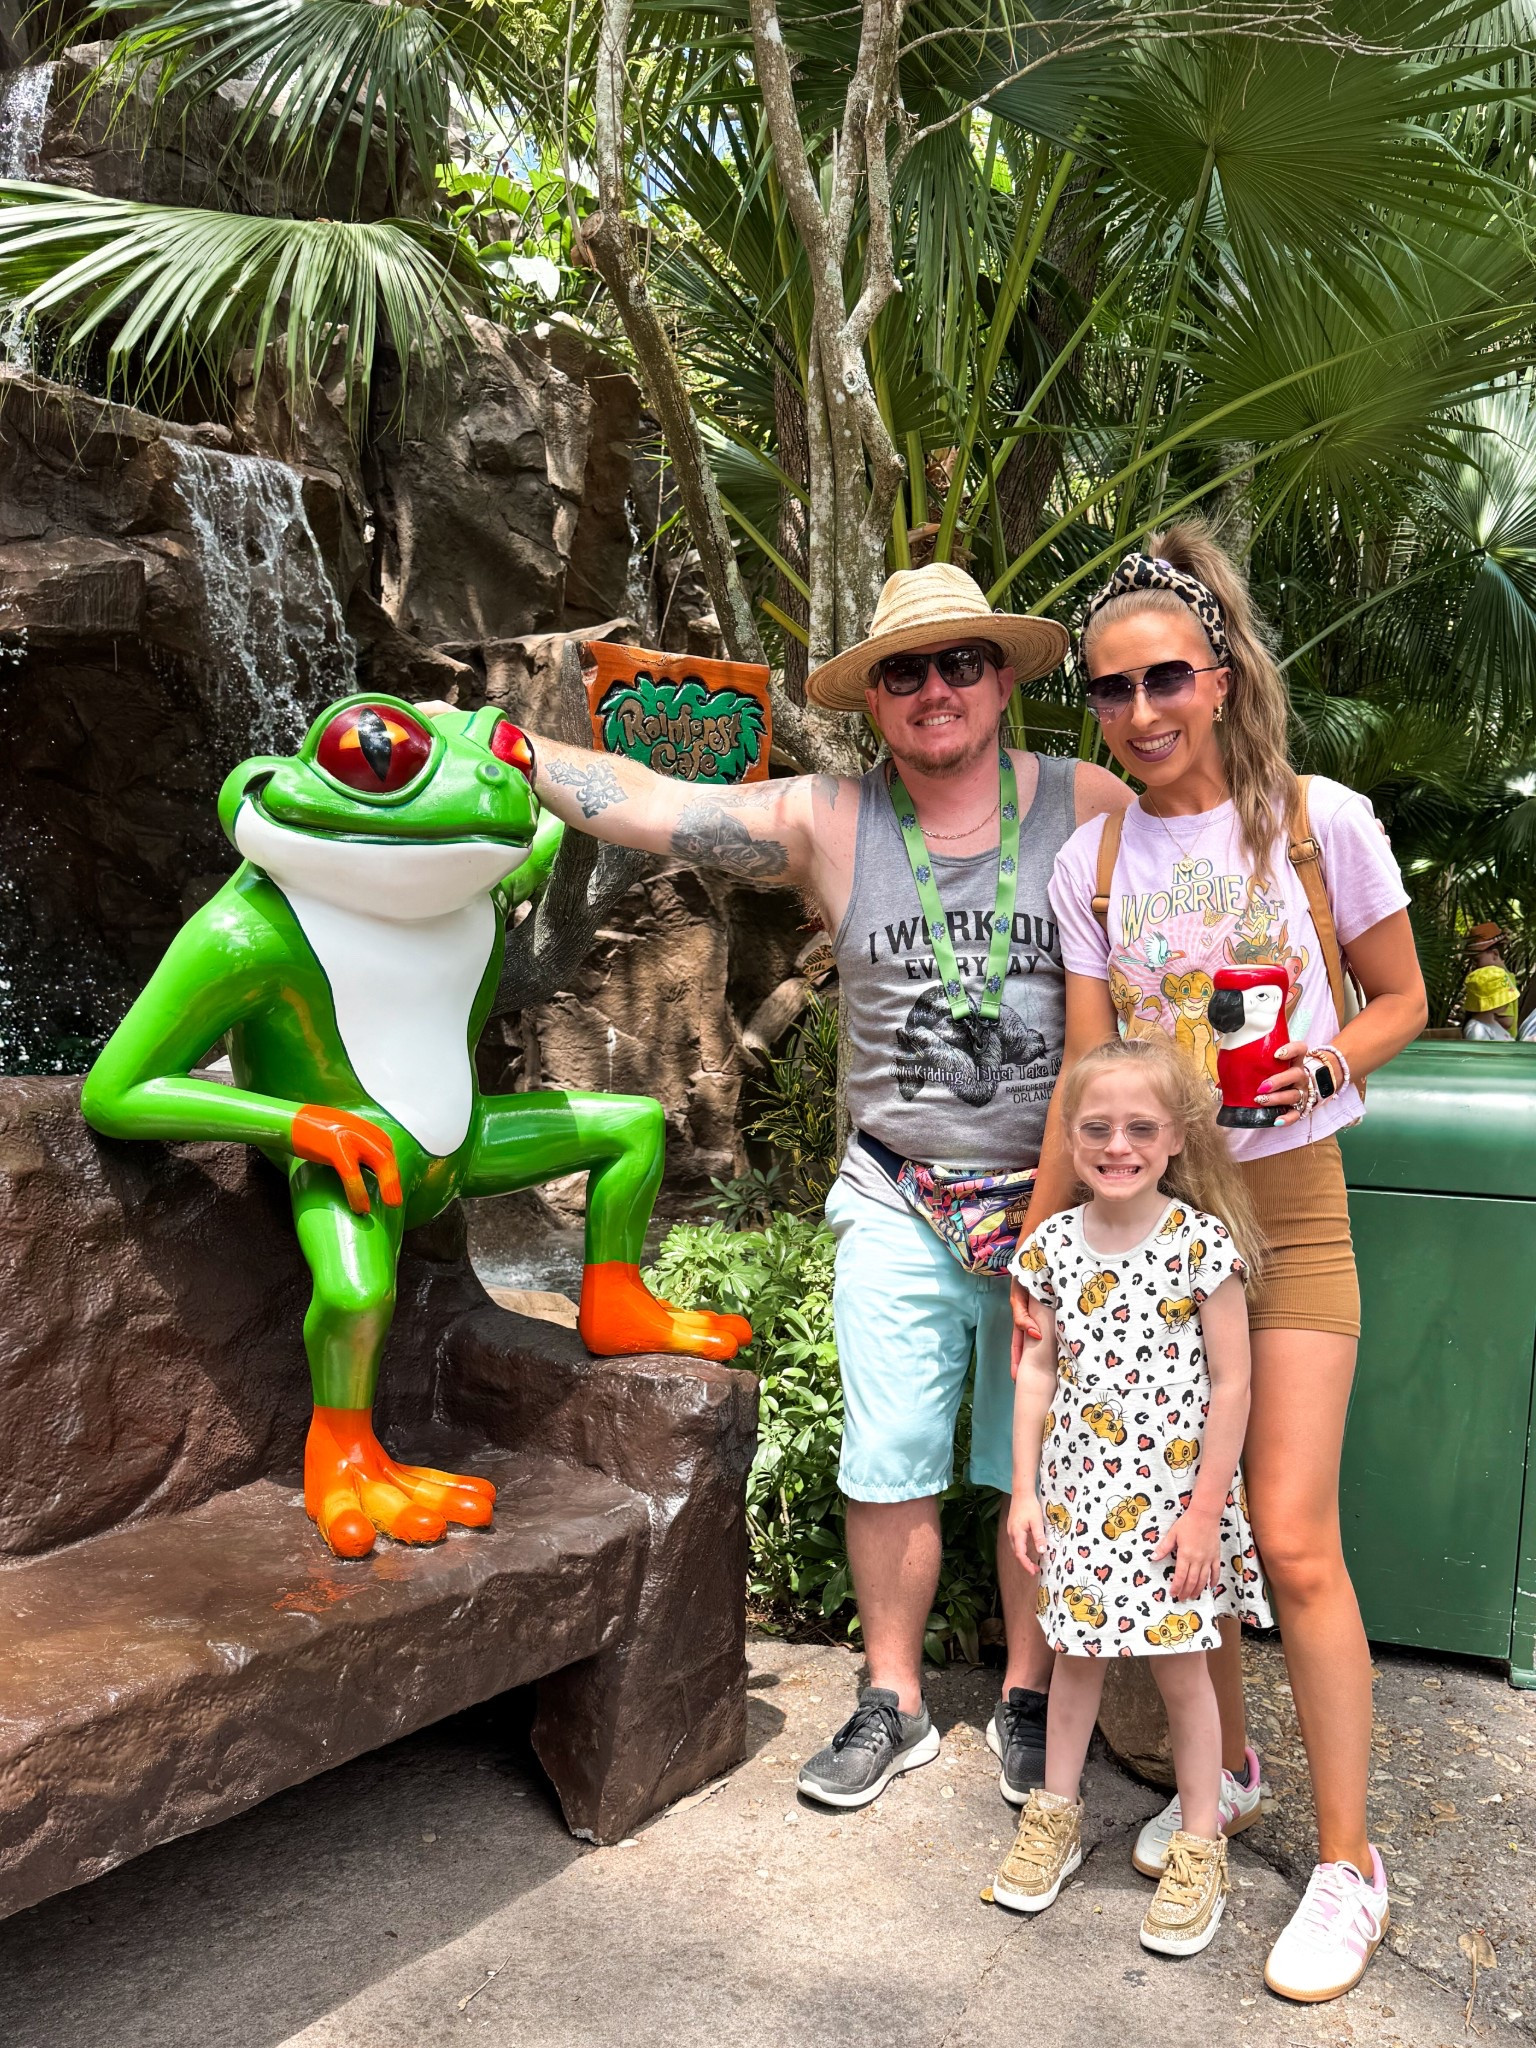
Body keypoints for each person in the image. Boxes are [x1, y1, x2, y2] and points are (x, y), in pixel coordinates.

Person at [519, 561, 1129, 1809]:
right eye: (903, 669)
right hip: (900, 1188)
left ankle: (1028, 1693)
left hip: (1061, 1194)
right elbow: (653, 802)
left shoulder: (1093, 804)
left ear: (1002, 676)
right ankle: (892, 1699)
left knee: (1044, 1464)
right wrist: (518, 753)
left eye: (961, 660)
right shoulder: (829, 816)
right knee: (890, 1450)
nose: (935, 688)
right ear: (874, 698)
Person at [1027, 522, 1427, 2001]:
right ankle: (1234, 1770)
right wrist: (1040, 1248)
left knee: (1294, 1533)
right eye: (1115, 692)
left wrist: (1323, 1069)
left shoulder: (1321, 821)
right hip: (1155, 1227)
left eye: (1166, 680)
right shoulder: (1098, 856)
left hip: (1296, 1209)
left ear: (1222, 673)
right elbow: (1086, 1074)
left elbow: (1401, 998)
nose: (1140, 715)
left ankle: (1348, 1865)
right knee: (1194, 1539)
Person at [995, 1035, 1268, 1959]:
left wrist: (1204, 1513)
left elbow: (1233, 1384)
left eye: (1141, 1127)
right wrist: (1023, 1492)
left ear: (1179, 1136)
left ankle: (1199, 1847)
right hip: (1077, 1504)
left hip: (1170, 1516)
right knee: (1073, 1661)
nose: (1119, 1145)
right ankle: (1055, 1817)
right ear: (1069, 1138)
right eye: (1098, 1128)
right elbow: (1036, 1372)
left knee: (1182, 1673)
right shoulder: (1051, 1249)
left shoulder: (1201, 1244)